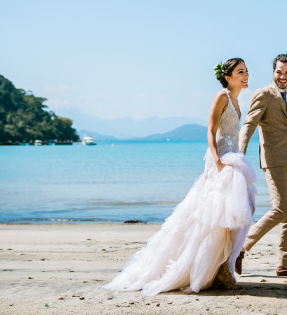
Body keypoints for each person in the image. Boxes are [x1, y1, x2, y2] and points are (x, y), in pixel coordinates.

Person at [101, 58, 256, 295]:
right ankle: (219, 270)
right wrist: (217, 160)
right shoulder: (222, 96)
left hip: (234, 160)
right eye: (240, 72)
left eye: (246, 71)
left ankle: (220, 267)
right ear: (227, 76)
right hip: (222, 162)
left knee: (236, 214)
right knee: (215, 218)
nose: (246, 76)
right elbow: (211, 131)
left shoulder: (236, 100)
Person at [237, 53, 287, 277]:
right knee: (280, 210)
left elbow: (282, 130)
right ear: (273, 71)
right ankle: (240, 249)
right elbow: (249, 124)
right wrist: (240, 154)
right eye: (279, 71)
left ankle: (285, 263)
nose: (283, 76)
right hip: (273, 161)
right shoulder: (263, 94)